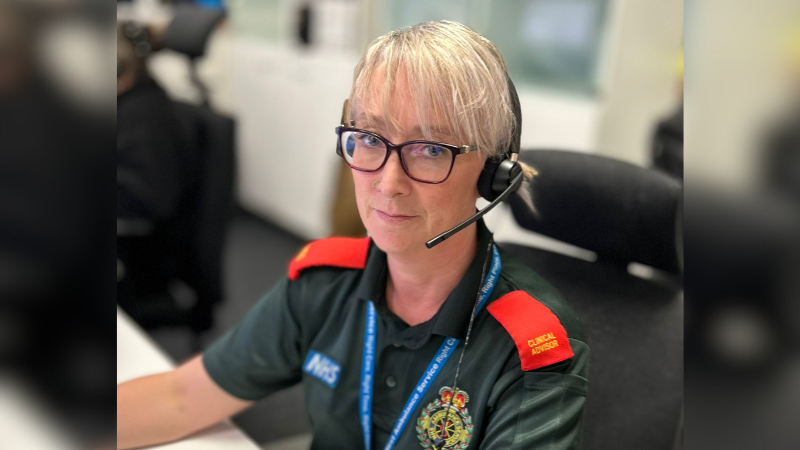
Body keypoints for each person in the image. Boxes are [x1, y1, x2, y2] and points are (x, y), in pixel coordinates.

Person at [117, 21, 588, 450]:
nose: (387, 183)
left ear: (492, 175)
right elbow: (180, 398)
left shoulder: (531, 346)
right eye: (369, 139)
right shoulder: (325, 281)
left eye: (429, 149)